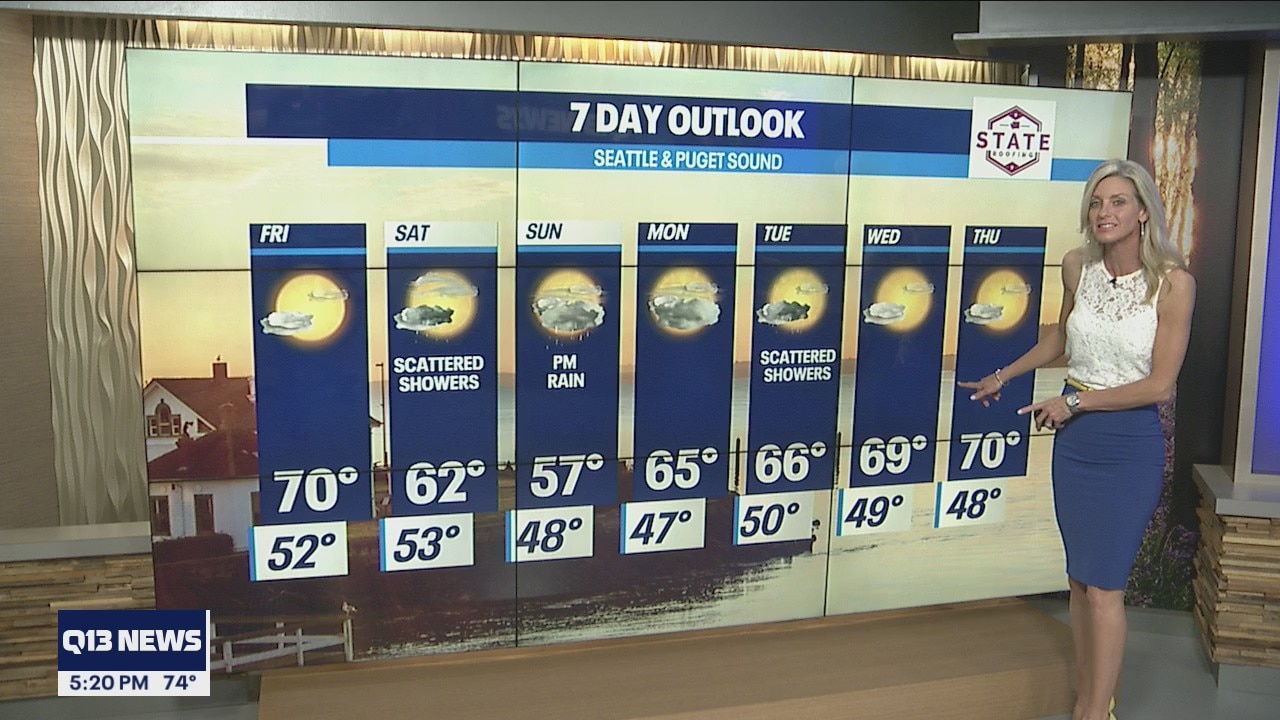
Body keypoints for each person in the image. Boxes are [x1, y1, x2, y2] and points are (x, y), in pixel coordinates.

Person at [959, 159, 1195, 720]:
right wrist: (1003, 376)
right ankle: (1093, 696)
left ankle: (1092, 715)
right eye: (1096, 202)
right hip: (1076, 446)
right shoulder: (1076, 266)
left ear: (1143, 212)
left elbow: (1160, 385)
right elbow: (1060, 340)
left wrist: (1074, 403)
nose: (1104, 212)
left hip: (1128, 443)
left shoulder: (1173, 285)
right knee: (1080, 581)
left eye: (1118, 202)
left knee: (1106, 587)